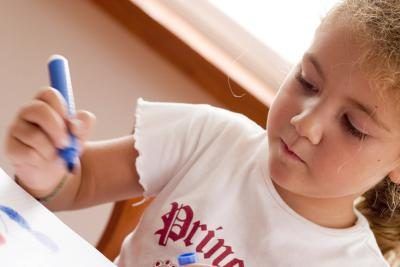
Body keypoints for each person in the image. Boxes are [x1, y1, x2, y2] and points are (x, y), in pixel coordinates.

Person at [4, 0, 400, 266]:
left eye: (353, 126)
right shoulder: (210, 139)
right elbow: (78, 183)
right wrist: (46, 168)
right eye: (307, 82)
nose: (306, 124)